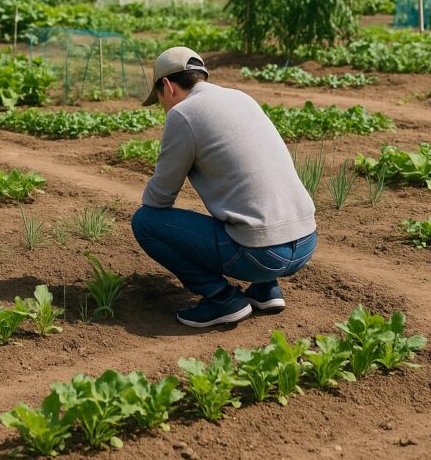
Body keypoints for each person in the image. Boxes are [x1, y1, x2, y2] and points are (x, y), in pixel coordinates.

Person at [131, 47, 317, 328]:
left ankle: (222, 299)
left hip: (261, 255)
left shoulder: (182, 114)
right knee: (249, 202)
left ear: (167, 86)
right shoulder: (242, 98)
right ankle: (266, 289)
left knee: (146, 222)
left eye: (158, 98)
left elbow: (160, 198)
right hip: (305, 241)